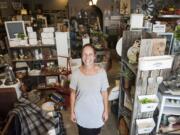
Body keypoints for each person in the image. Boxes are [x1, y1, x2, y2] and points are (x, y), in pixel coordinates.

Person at [70, 44, 109, 135]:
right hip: (81, 113)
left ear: (94, 56)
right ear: (81, 56)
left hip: (97, 113)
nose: (87, 57)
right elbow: (72, 94)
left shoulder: (102, 73)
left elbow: (104, 93)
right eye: (85, 54)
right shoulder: (76, 73)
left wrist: (106, 111)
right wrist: (72, 112)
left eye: (90, 54)